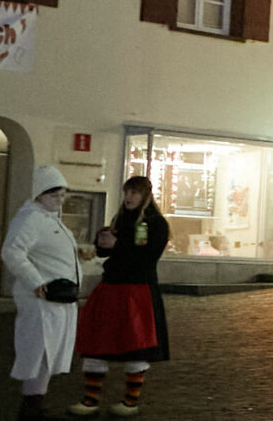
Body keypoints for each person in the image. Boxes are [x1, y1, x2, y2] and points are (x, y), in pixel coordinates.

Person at [71, 175, 170, 416]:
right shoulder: (120, 219)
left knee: (135, 345)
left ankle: (130, 402)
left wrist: (117, 244)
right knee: (97, 342)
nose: (128, 197)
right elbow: (109, 252)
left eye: (134, 192)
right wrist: (101, 243)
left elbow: (145, 256)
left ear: (145, 196)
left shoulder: (154, 223)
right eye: (127, 192)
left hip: (137, 292)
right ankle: (90, 400)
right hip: (111, 288)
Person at [0, 165, 88, 420]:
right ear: (39, 194)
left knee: (47, 354)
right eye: (54, 194)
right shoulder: (31, 219)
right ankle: (30, 408)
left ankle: (35, 404)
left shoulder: (50, 220)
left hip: (57, 301)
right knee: (40, 353)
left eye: (62, 195)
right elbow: (12, 252)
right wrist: (36, 284)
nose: (59, 200)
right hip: (42, 303)